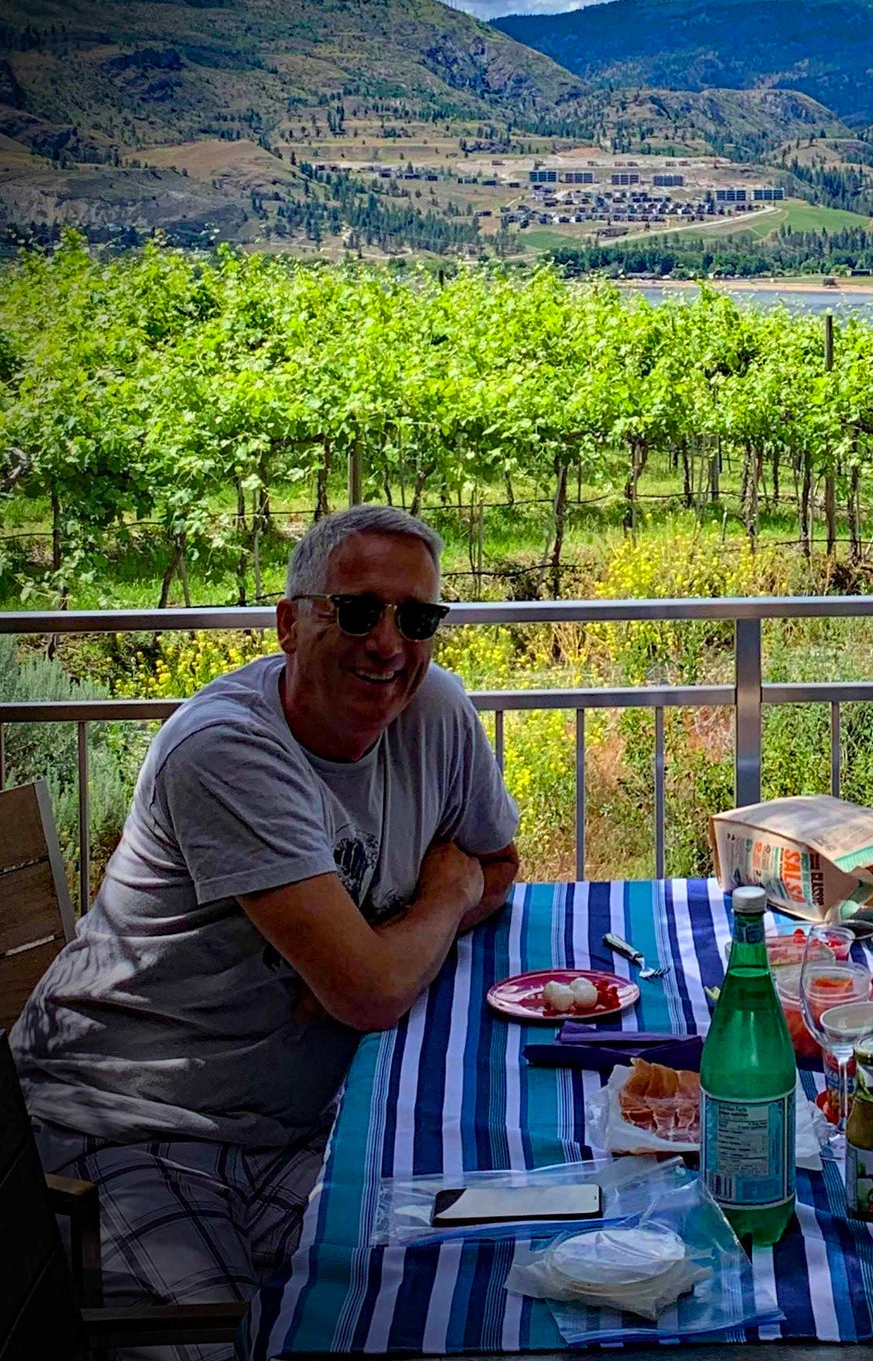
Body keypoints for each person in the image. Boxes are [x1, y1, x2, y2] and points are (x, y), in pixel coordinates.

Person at [9, 505, 519, 1350]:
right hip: (128, 1123)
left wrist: (388, 936)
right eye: (356, 610)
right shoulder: (227, 750)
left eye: (417, 618)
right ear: (289, 622)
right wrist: (427, 909)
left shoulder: (432, 710)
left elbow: (496, 865)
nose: (388, 645)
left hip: (301, 1123)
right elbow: (372, 990)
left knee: (466, 1279)